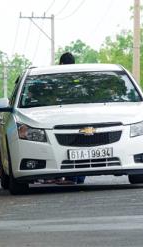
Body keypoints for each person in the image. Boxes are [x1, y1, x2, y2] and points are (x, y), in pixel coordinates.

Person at [57, 52, 86, 185]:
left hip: (65, 120)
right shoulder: (80, 78)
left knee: (69, 148)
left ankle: (71, 177)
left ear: (61, 63)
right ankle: (79, 178)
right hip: (82, 118)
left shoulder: (60, 80)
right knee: (82, 147)